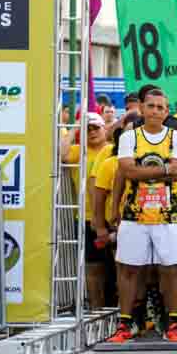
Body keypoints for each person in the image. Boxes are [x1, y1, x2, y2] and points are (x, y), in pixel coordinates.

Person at [109, 89, 177, 343]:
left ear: (167, 112)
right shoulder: (129, 137)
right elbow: (127, 172)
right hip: (134, 214)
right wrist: (165, 169)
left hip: (168, 214)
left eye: (160, 107)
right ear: (141, 109)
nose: (155, 111)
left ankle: (173, 324)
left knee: (171, 269)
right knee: (129, 269)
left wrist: (143, 170)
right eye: (151, 106)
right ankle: (125, 324)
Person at [62, 112, 112, 309]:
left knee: (117, 268)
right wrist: (75, 126)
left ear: (104, 129)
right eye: (87, 129)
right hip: (86, 218)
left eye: (95, 128)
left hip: (111, 218)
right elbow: (61, 153)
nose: (92, 132)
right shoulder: (78, 151)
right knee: (93, 267)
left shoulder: (112, 150)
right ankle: (96, 310)